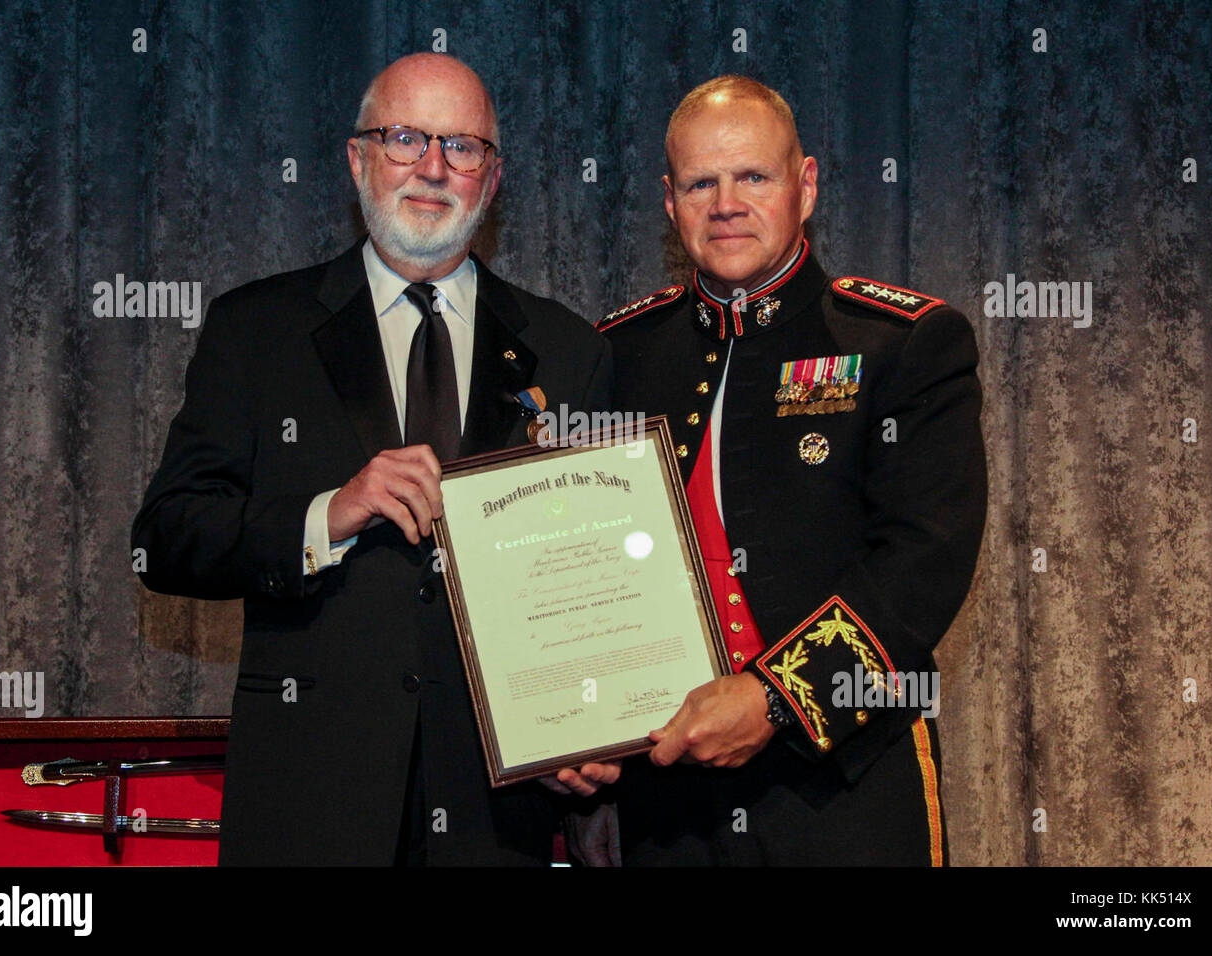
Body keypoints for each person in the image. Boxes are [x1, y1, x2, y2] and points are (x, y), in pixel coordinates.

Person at [132, 53, 616, 866]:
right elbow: (167, 538)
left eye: (462, 147)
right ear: (357, 160)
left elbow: (593, 583)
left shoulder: (569, 350)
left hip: (496, 815)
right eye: (404, 139)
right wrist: (332, 513)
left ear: (491, 182)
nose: (432, 168)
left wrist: (591, 723)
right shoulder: (256, 331)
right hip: (310, 799)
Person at [595, 75, 987, 865]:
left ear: (804, 187)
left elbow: (923, 561)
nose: (726, 202)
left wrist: (775, 698)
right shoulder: (619, 354)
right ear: (670, 203)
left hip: (842, 781)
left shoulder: (902, 342)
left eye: (753, 177)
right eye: (701, 182)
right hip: (666, 796)